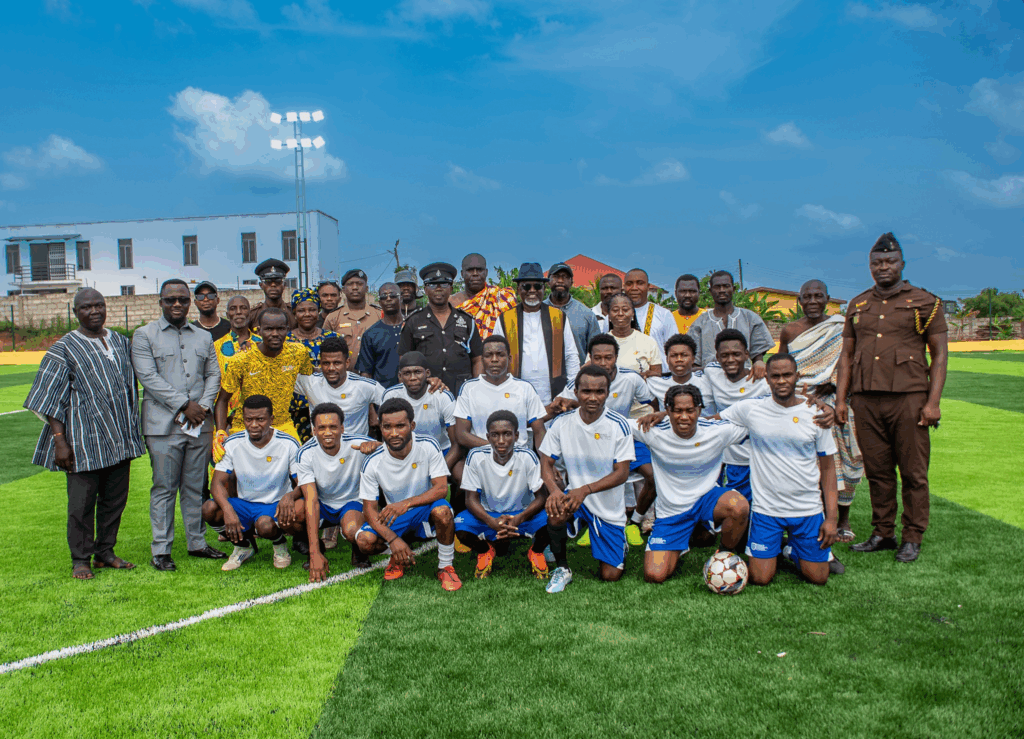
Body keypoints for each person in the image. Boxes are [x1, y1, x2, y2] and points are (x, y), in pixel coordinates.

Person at [836, 233, 947, 563]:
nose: (883, 267)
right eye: (877, 263)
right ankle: (883, 532)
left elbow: (939, 355)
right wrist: (841, 400)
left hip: (908, 399)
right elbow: (846, 355)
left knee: (913, 473)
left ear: (902, 264)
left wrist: (933, 403)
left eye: (889, 261)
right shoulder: (858, 304)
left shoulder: (925, 302)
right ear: (870, 266)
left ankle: (912, 536)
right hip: (866, 399)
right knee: (877, 471)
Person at [24, 288, 147, 580]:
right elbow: (50, 397)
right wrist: (60, 441)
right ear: (75, 312)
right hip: (83, 440)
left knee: (114, 501)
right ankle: (81, 559)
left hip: (120, 437)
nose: (94, 311)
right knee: (81, 505)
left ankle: (105, 552)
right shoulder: (63, 348)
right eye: (86, 307)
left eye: (99, 305)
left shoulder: (119, 341)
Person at [719, 354, 839, 586]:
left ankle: (790, 550)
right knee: (760, 578)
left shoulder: (817, 414)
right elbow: (709, 421)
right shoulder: (751, 409)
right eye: (775, 376)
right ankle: (782, 547)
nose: (781, 381)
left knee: (818, 578)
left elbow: (829, 471)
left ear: (797, 376)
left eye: (787, 375)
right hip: (767, 511)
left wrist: (832, 519)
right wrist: (665, 415)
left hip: (807, 510)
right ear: (767, 379)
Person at [132, 279, 225, 572]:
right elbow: (148, 377)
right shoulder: (144, 335)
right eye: (170, 299)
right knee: (164, 487)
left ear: (189, 302)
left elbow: (214, 375)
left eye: (182, 300)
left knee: (195, 486)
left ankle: (197, 542)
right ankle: (161, 550)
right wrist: (185, 405)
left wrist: (203, 407)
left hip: (199, 424)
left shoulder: (203, 337)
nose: (177, 304)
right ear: (160, 301)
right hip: (163, 426)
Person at [631, 385, 750, 583]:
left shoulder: (716, 431)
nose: (684, 417)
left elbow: (756, 423)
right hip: (672, 511)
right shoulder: (652, 430)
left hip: (706, 499)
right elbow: (613, 424)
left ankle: (723, 556)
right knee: (655, 575)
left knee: (738, 506)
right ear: (668, 410)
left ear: (699, 410)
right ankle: (681, 543)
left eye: (690, 410)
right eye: (677, 411)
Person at [778, 279, 863, 543]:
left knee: (847, 462)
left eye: (818, 296)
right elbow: (783, 365)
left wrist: (832, 387)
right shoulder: (790, 331)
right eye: (807, 296)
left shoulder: (840, 327)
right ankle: (814, 517)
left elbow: (849, 362)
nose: (813, 301)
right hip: (802, 401)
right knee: (808, 463)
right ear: (799, 301)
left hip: (839, 401)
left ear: (827, 299)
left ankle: (843, 519)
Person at [552, 333, 655, 546]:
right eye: (597, 358)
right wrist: (566, 404)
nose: (603, 363)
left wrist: (657, 415)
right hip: (590, 442)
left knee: (653, 477)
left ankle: (634, 522)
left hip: (624, 437)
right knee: (582, 474)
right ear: (590, 357)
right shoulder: (580, 380)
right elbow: (562, 404)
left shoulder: (631, 378)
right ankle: (588, 520)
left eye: (608, 357)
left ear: (617, 357)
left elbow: (651, 402)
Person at [538, 365, 635, 593]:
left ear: (608, 393)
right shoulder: (562, 423)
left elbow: (622, 473)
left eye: (599, 392)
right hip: (575, 498)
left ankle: (619, 543)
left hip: (607, 508)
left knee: (610, 576)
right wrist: (555, 491)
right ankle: (562, 568)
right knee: (556, 510)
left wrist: (585, 489)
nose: (593, 397)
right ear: (576, 392)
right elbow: (545, 462)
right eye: (586, 391)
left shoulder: (619, 425)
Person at [354, 398, 462, 591]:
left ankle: (445, 566)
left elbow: (441, 489)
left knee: (443, 512)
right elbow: (369, 510)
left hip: (424, 509)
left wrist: (406, 503)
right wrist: (393, 540)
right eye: (387, 427)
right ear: (380, 428)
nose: (394, 433)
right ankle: (396, 554)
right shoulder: (372, 462)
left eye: (400, 426)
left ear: (412, 426)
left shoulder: (428, 445)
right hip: (395, 516)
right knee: (364, 541)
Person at [277, 402, 377, 579]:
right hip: (322, 502)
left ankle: (358, 549)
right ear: (314, 430)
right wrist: (315, 553)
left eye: (333, 427)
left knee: (352, 529)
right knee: (290, 515)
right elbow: (311, 500)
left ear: (342, 428)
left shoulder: (358, 443)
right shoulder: (305, 453)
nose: (328, 432)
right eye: (322, 428)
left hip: (352, 502)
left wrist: (377, 446)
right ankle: (315, 548)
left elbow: (390, 450)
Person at [203, 395, 301, 571]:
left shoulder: (288, 443)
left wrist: (290, 496)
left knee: (264, 525)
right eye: (248, 419)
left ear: (271, 419)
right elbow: (217, 484)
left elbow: (302, 483)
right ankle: (243, 546)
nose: (254, 425)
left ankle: (280, 545)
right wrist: (228, 510)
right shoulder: (233, 443)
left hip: (274, 504)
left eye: (260, 419)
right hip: (245, 504)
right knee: (209, 509)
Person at [454, 411, 551, 579]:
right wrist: (490, 521)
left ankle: (536, 552)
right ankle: (485, 551)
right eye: (495, 435)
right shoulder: (476, 456)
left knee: (554, 518)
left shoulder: (527, 456)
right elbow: (470, 500)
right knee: (459, 525)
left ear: (516, 436)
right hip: (489, 514)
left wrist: (519, 518)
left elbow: (541, 497)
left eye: (507, 434)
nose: (501, 440)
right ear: (488, 437)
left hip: (522, 515)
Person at [216, 307, 313, 445]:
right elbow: (223, 400)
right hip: (246, 426)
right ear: (258, 330)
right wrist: (220, 432)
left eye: (280, 329)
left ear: (287, 329)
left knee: (297, 457)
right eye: (269, 329)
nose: (275, 334)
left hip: (282, 424)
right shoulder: (241, 359)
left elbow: (311, 376)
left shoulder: (298, 353)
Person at [492, 262, 580, 405]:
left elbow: (571, 356)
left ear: (544, 289)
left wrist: (570, 392)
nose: (532, 291)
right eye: (526, 286)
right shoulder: (505, 319)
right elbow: (495, 357)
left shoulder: (558, 317)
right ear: (518, 289)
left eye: (537, 286)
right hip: (514, 398)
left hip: (555, 398)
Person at [701, 329, 768, 501]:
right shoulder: (712, 372)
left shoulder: (764, 381)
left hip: (754, 457)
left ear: (747, 355)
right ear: (717, 357)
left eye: (736, 354)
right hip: (723, 455)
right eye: (725, 355)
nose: (730, 359)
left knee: (749, 504)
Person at [398, 262, 483, 394]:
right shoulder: (413, 321)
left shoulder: (467, 320)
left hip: (462, 393)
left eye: (444, 284)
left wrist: (476, 389)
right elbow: (404, 362)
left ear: (451, 288)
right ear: (425, 290)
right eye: (432, 285)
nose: (438, 289)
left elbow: (478, 359)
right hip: (426, 393)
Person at [454, 335, 547, 454]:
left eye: (500, 355)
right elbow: (461, 434)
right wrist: (498, 447)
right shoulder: (469, 389)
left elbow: (539, 431)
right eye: (488, 355)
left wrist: (545, 462)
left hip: (519, 457)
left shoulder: (525, 388)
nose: (494, 359)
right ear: (482, 360)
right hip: (482, 457)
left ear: (509, 359)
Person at [382, 352, 459, 470]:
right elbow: (386, 437)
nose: (413, 378)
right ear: (400, 376)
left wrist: (439, 470)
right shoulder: (391, 395)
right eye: (407, 373)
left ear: (427, 373)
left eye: (417, 372)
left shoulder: (442, 396)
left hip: (441, 451)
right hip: (404, 453)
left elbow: (456, 444)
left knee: (459, 472)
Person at [688, 271, 774, 375]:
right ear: (710, 291)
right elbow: (694, 362)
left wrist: (759, 363)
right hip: (709, 379)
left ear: (733, 289)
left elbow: (758, 356)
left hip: (743, 378)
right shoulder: (700, 323)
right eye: (717, 287)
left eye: (726, 286)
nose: (722, 290)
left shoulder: (750, 318)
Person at [295, 336, 384, 437]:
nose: (331, 368)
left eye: (337, 363)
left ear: (347, 363)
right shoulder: (310, 382)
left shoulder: (363, 386)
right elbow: (282, 378)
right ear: (320, 363)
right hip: (321, 445)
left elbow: (393, 402)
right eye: (326, 363)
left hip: (356, 445)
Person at [287, 286, 339, 443]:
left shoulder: (333, 338)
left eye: (312, 310)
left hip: (327, 404)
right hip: (294, 408)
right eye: (301, 310)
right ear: (294, 313)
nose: (307, 314)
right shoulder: (285, 340)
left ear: (318, 311)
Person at [213, 295, 261, 433]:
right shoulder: (217, 347)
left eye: (243, 308)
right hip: (226, 418)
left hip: (259, 415)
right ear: (228, 314)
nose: (238, 312)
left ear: (249, 313)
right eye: (233, 309)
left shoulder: (262, 344)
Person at [450, 253, 518, 338]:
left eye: (479, 270)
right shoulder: (451, 302)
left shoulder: (502, 298)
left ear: (486, 273)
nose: (475, 273)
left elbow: (512, 332)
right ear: (462, 274)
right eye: (470, 270)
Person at [545, 261, 601, 364]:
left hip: (578, 372)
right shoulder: (538, 310)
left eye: (565, 277)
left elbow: (597, 350)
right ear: (548, 282)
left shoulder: (587, 314)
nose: (560, 280)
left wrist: (585, 369)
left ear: (571, 282)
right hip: (544, 372)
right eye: (556, 277)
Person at [322, 269, 381, 361]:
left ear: (367, 288)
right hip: (344, 370)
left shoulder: (380, 315)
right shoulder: (333, 317)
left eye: (359, 284)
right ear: (343, 290)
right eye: (350, 284)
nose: (355, 287)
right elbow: (325, 349)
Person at [646, 334, 713, 416]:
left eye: (684, 355)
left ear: (693, 359)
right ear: (667, 360)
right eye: (674, 356)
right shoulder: (656, 383)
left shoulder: (708, 381)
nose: (679, 359)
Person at [355, 281, 404, 388]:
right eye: (383, 296)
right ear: (380, 302)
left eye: (393, 295)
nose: (388, 299)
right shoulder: (370, 334)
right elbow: (366, 373)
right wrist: (371, 397)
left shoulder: (412, 327)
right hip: (382, 393)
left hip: (412, 393)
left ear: (401, 298)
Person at [623, 268, 676, 368]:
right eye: (629, 284)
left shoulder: (664, 314)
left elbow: (674, 349)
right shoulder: (613, 316)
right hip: (624, 375)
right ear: (624, 287)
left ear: (648, 287)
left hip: (658, 374)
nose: (634, 288)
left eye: (640, 283)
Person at [606, 293, 662, 380]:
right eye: (615, 310)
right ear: (609, 315)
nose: (620, 313)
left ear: (632, 313)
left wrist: (647, 375)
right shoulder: (600, 342)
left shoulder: (648, 342)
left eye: (625, 310)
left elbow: (657, 374)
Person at [248, 258, 295, 330]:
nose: (273, 285)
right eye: (268, 281)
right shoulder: (253, 315)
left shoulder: (294, 313)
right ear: (261, 285)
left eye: (278, 281)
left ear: (284, 285)